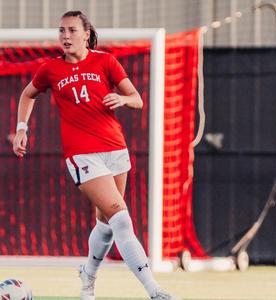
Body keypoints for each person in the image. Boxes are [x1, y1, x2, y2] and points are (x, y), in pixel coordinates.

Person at [12, 10, 181, 300]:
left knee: (105, 222)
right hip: (82, 155)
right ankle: (155, 291)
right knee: (122, 219)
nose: (65, 36)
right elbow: (28, 94)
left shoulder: (106, 61)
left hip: (115, 149)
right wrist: (21, 128)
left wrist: (123, 98)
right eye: (61, 31)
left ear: (86, 34)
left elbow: (137, 100)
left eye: (72, 30)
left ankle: (88, 276)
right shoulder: (50, 69)